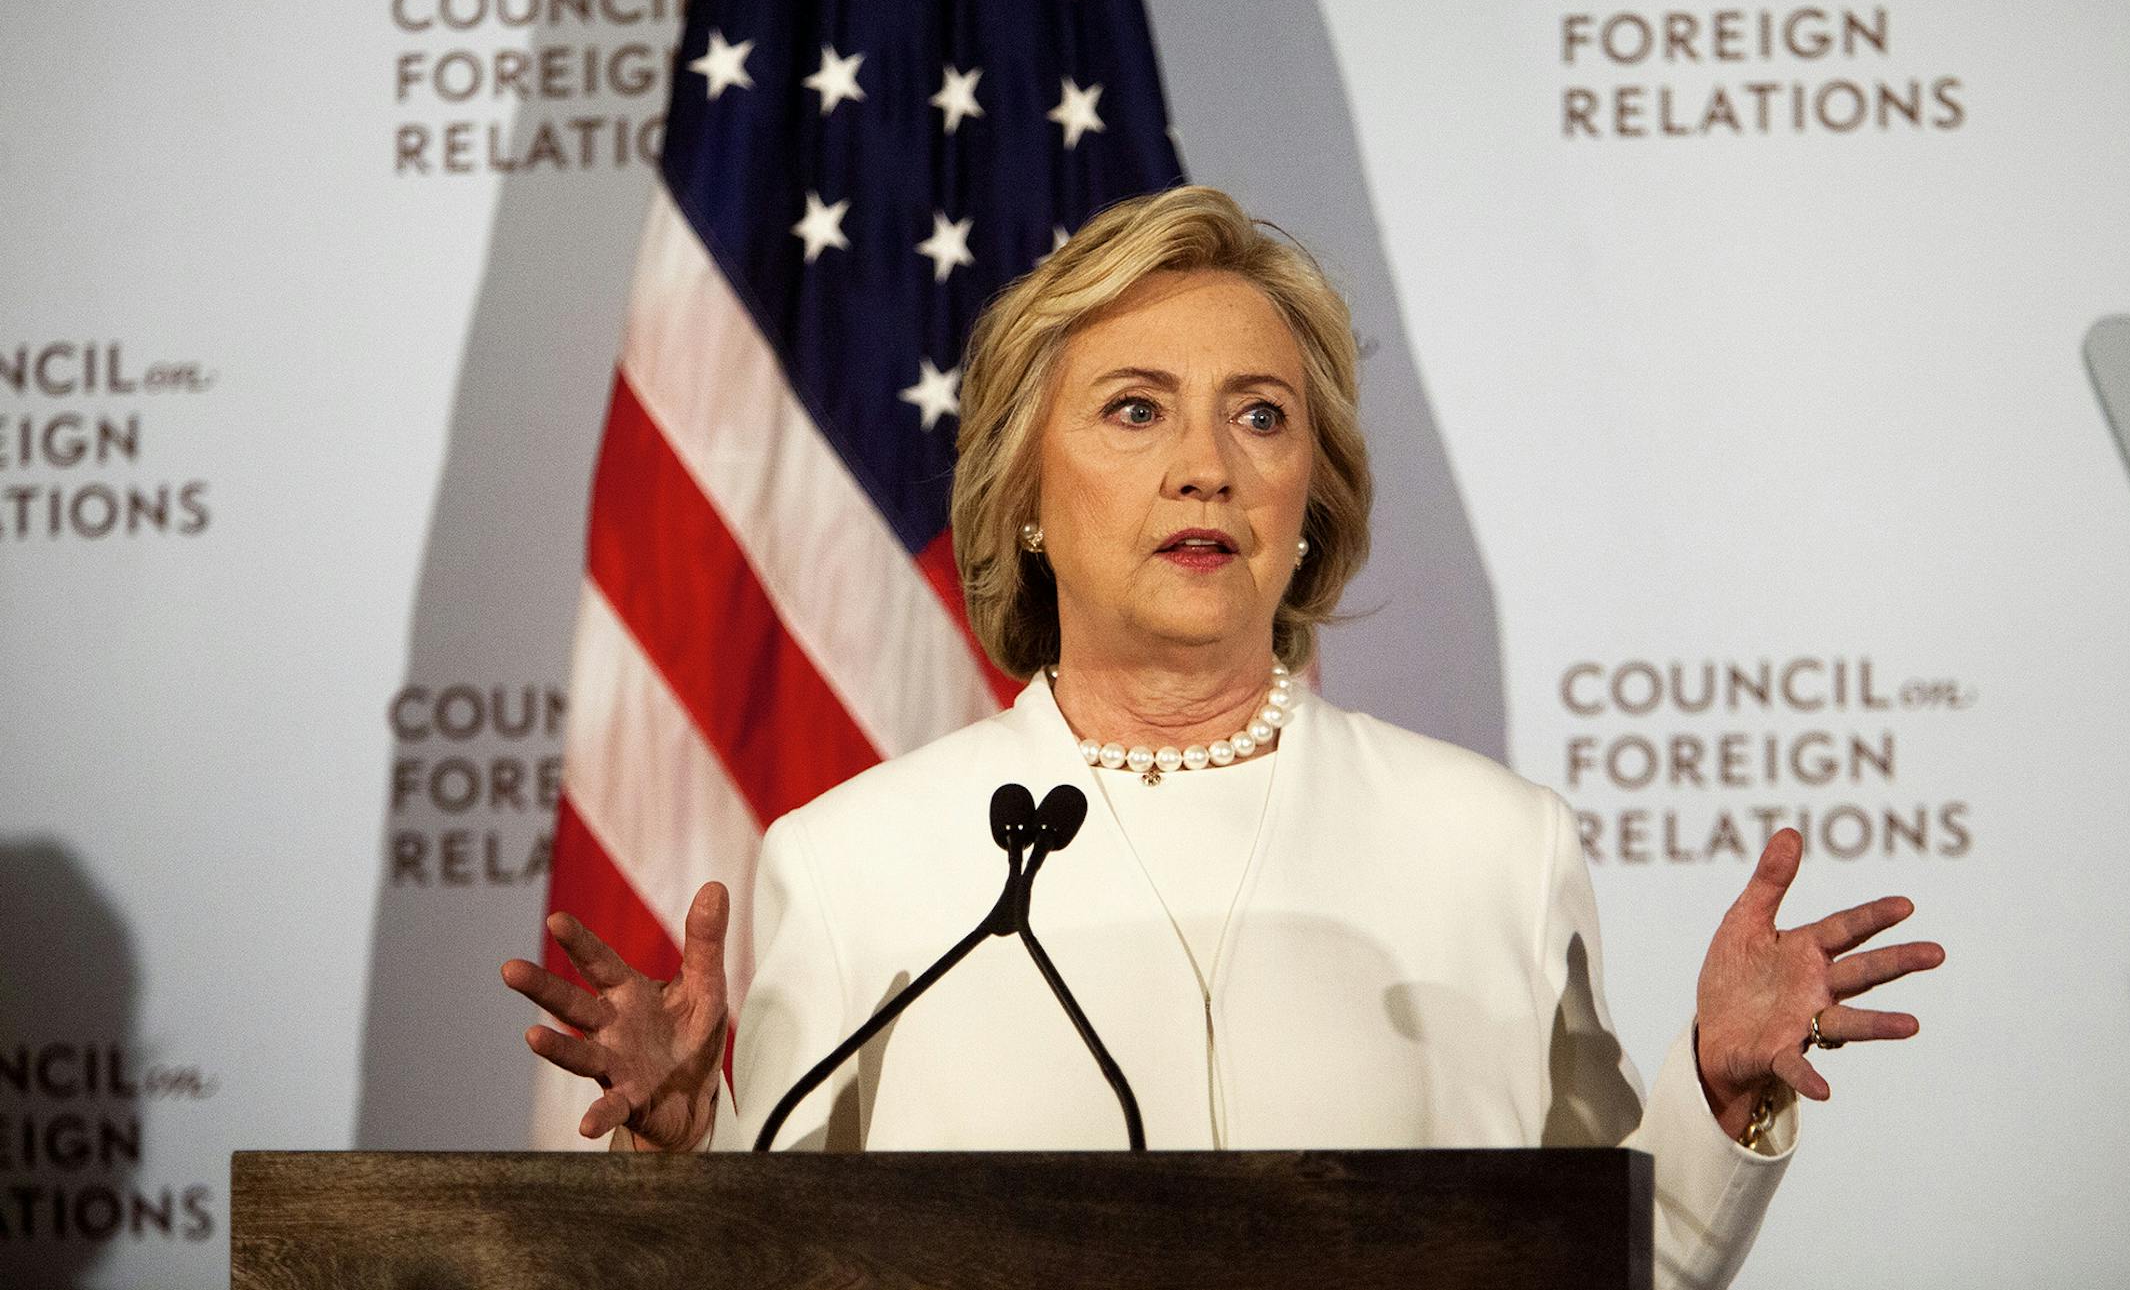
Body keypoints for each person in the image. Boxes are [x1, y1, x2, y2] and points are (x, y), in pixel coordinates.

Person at [503, 186, 1943, 1287]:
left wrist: (1714, 1088)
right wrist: (688, 1158)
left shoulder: (1494, 846)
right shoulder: (857, 861)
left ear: (1309, 492)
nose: (1209, 465)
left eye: (1262, 415)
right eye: (1137, 409)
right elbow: (783, 1264)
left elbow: (1605, 1261)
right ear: (1020, 495)